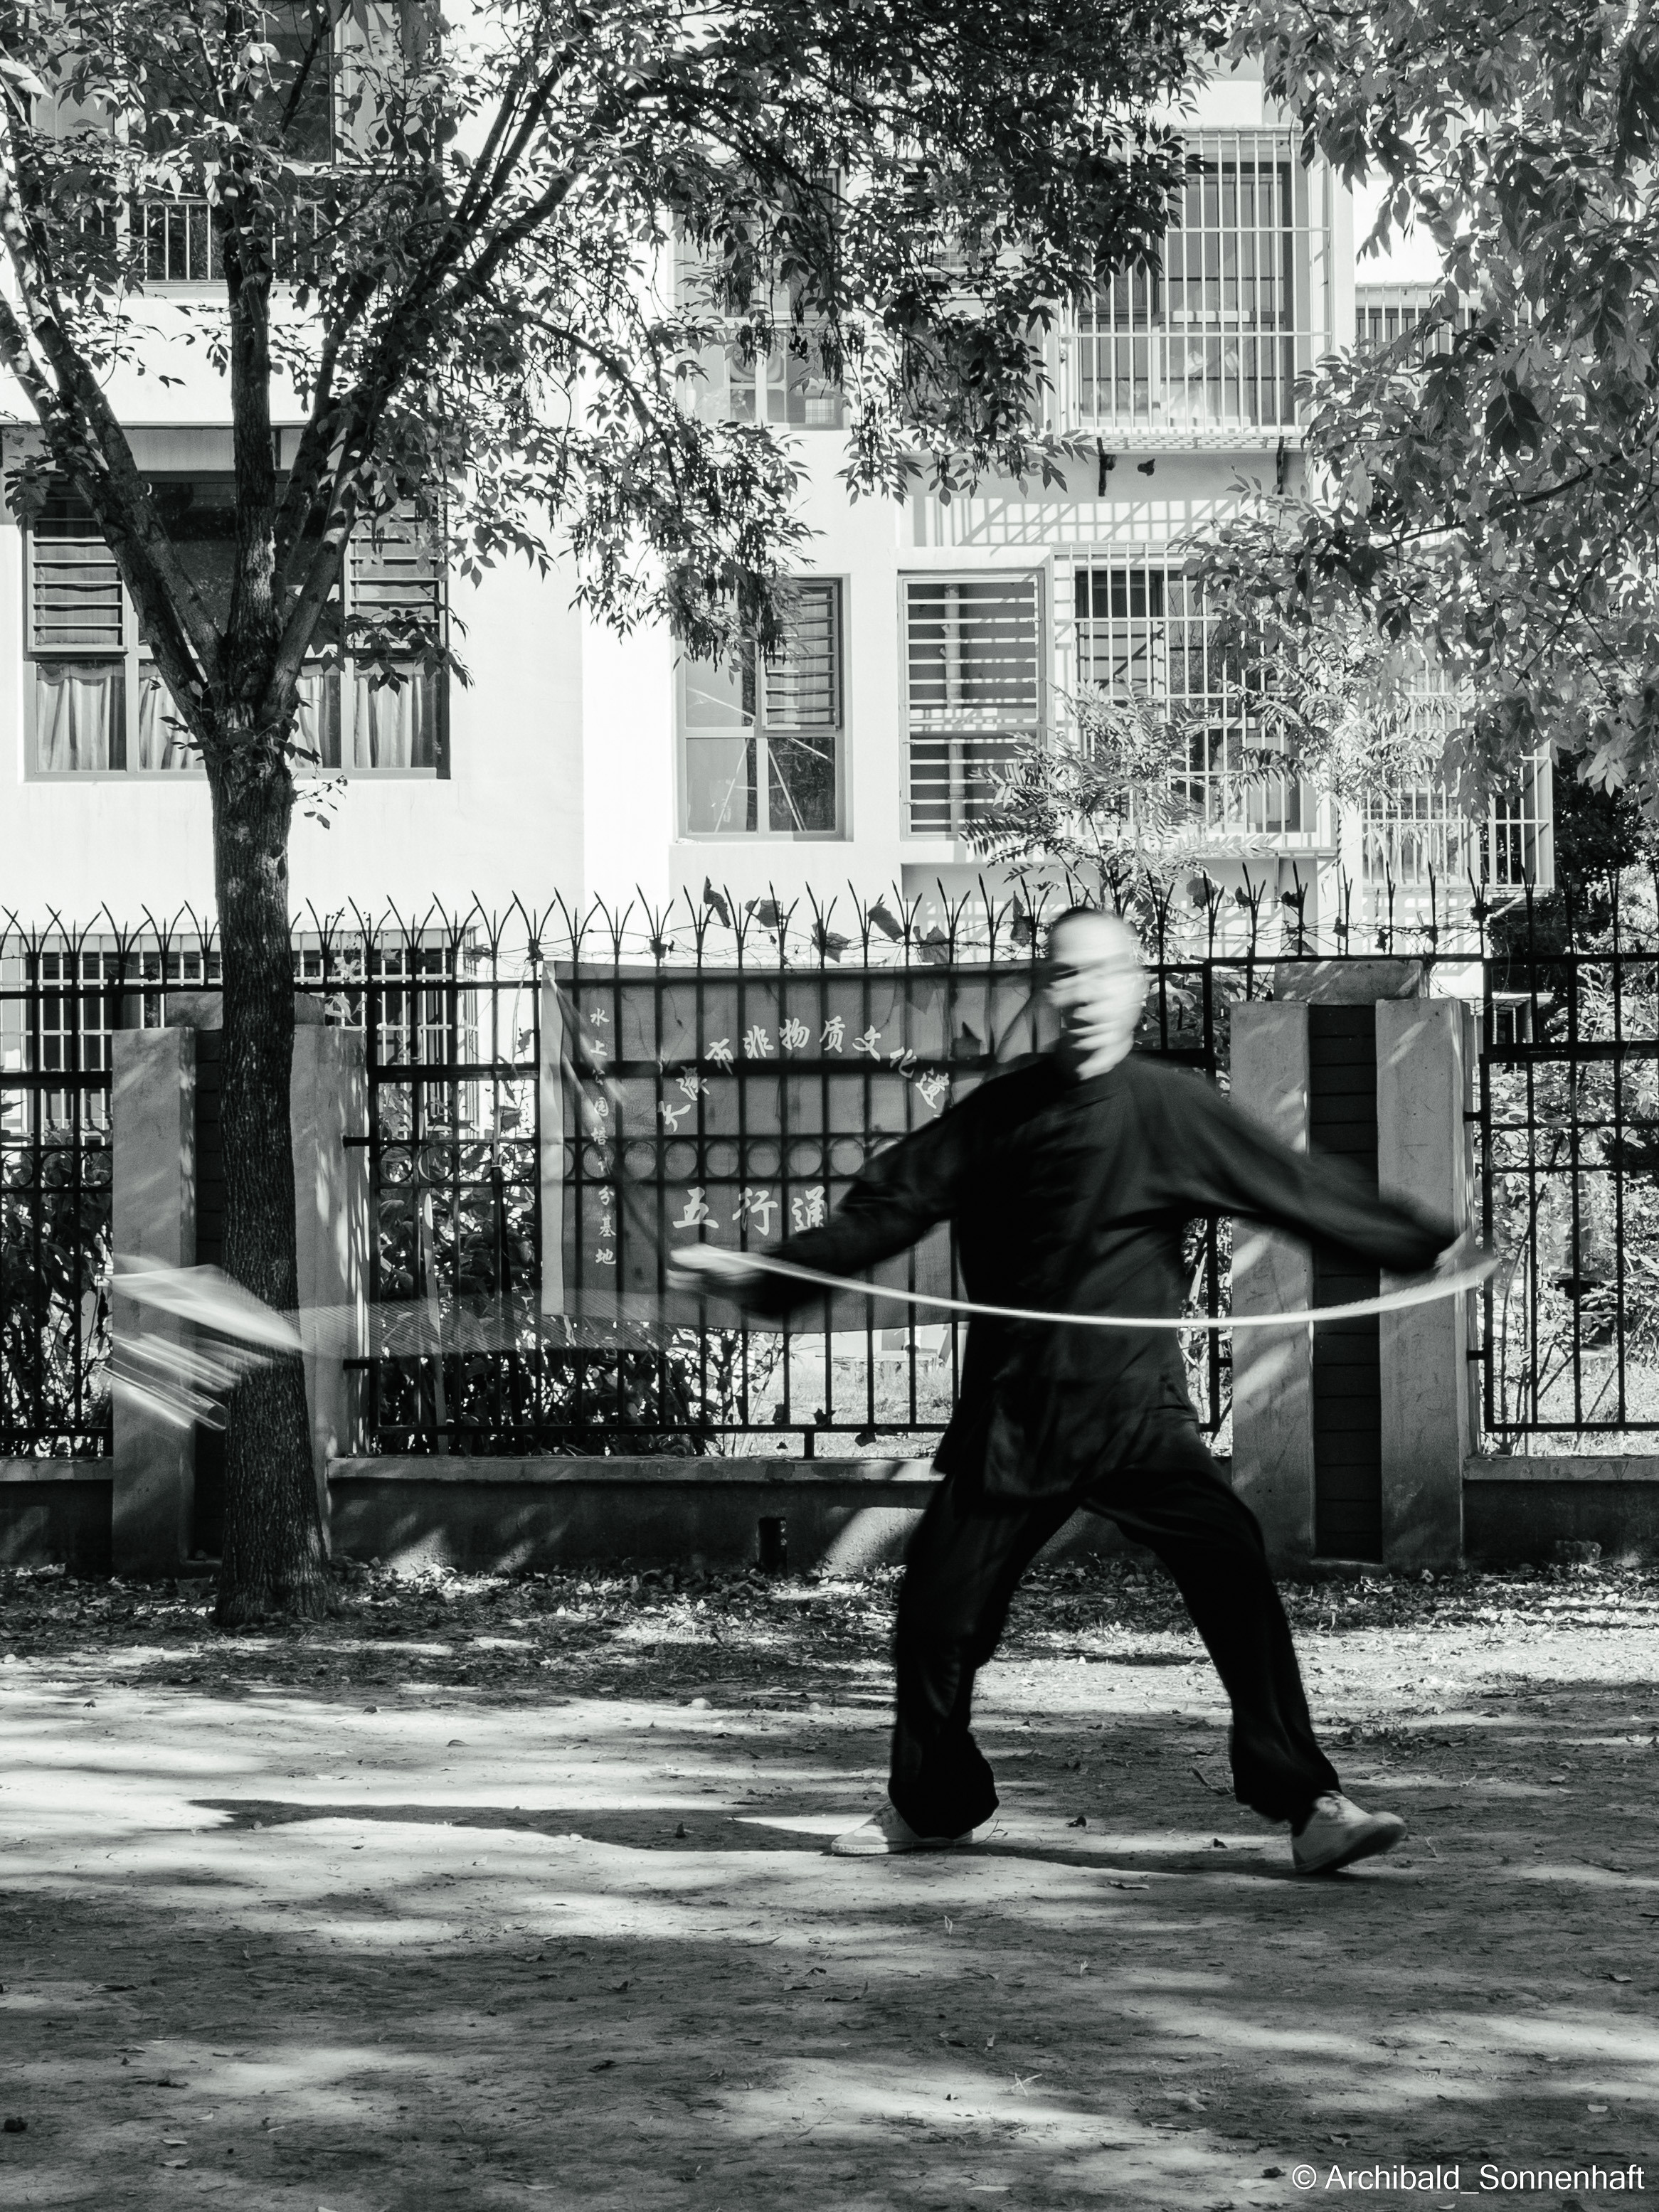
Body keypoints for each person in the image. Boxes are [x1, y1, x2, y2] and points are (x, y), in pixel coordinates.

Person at [673, 908, 1463, 1875]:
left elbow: (1294, 1188)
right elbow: (887, 1210)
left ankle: (1309, 1804)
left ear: (1136, 984)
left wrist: (1425, 1243)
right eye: (1065, 975)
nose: (1085, 993)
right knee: (935, 1619)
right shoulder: (999, 1115)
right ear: (1048, 991)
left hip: (1134, 1415)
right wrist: (767, 1273)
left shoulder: (1173, 1109)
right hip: (1016, 1416)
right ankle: (932, 1802)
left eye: (1103, 973)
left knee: (1232, 1569)